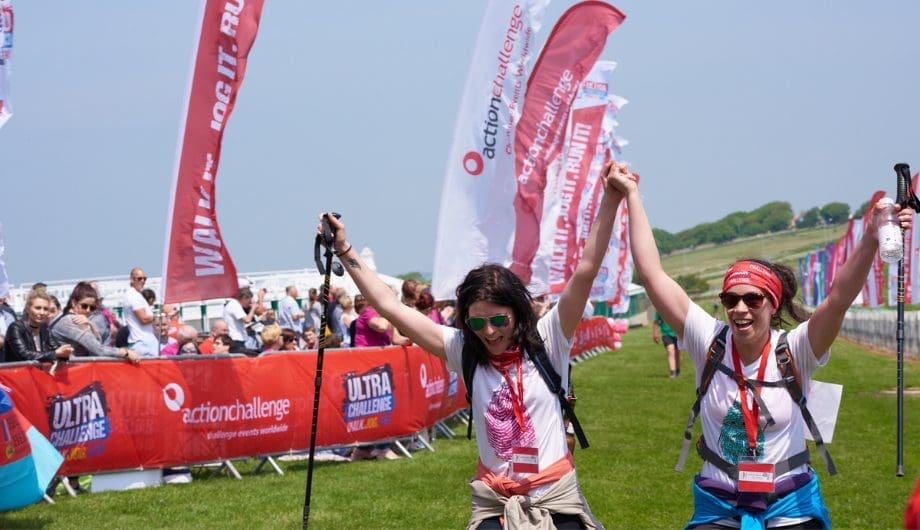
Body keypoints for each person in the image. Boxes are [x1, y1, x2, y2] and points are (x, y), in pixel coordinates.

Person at [321, 161, 626, 528]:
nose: (490, 332)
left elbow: (586, 269)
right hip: (494, 503)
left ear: (518, 312)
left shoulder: (550, 338)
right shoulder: (462, 349)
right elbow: (388, 305)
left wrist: (610, 197)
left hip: (553, 500)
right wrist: (343, 249)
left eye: (499, 320)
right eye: (477, 322)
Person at [607, 165, 915, 529]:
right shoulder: (709, 340)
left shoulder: (796, 348)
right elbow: (652, 274)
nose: (739, 309)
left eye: (753, 299)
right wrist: (631, 196)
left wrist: (869, 238)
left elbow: (838, 299)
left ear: (772, 304)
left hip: (790, 503)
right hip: (719, 503)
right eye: (730, 299)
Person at [49, 282, 140, 363]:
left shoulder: (80, 319)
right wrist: (125, 353)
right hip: (68, 374)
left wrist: (91, 325)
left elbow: (98, 343)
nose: (88, 310)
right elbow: (99, 350)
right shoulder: (71, 321)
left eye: (92, 307)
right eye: (84, 306)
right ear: (73, 302)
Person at [3, 289, 74, 363]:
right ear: (28, 309)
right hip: (16, 373)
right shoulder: (16, 328)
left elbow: (55, 347)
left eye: (45, 309)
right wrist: (56, 353)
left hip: (38, 373)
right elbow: (24, 355)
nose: (42, 312)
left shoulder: (44, 328)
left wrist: (66, 352)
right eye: (38, 308)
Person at [123, 268, 159, 357]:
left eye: (144, 278)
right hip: (143, 343)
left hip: (143, 342)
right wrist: (160, 316)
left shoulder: (135, 294)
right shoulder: (133, 295)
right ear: (132, 279)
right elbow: (144, 319)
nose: (142, 281)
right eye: (139, 278)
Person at [652, 310, 681, 378]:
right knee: (670, 350)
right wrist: (655, 333)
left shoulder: (676, 307)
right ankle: (673, 373)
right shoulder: (660, 309)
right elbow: (656, 322)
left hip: (677, 333)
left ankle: (677, 371)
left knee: (678, 353)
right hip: (666, 334)